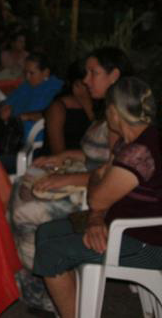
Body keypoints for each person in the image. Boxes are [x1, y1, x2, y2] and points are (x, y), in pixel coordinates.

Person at [7, 46, 132, 311]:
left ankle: (46, 286)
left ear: (114, 76)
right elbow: (97, 156)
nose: (86, 80)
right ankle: (42, 280)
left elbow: (115, 172)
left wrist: (67, 179)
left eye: (93, 73)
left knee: (24, 210)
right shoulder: (107, 110)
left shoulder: (120, 118)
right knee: (21, 191)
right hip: (91, 185)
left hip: (100, 199)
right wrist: (63, 157)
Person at [34, 77, 162, 318]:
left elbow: (97, 197)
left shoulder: (140, 152)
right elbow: (102, 197)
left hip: (146, 243)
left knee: (51, 252)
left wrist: (96, 182)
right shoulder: (130, 142)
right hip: (121, 228)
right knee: (45, 232)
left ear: (114, 112)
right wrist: (95, 218)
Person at [36, 60, 94, 158]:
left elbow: (101, 140)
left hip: (88, 160)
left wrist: (87, 105)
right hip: (60, 161)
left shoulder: (99, 104)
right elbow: (58, 152)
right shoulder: (58, 107)